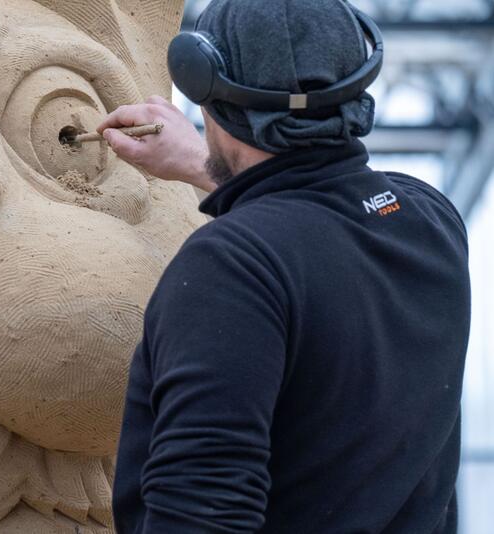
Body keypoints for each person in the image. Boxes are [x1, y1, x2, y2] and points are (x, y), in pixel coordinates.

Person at [101, 1, 471, 532]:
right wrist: (208, 165)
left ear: (200, 80)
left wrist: (218, 165)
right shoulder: (428, 219)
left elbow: (202, 516)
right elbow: (316, 214)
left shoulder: (229, 268)